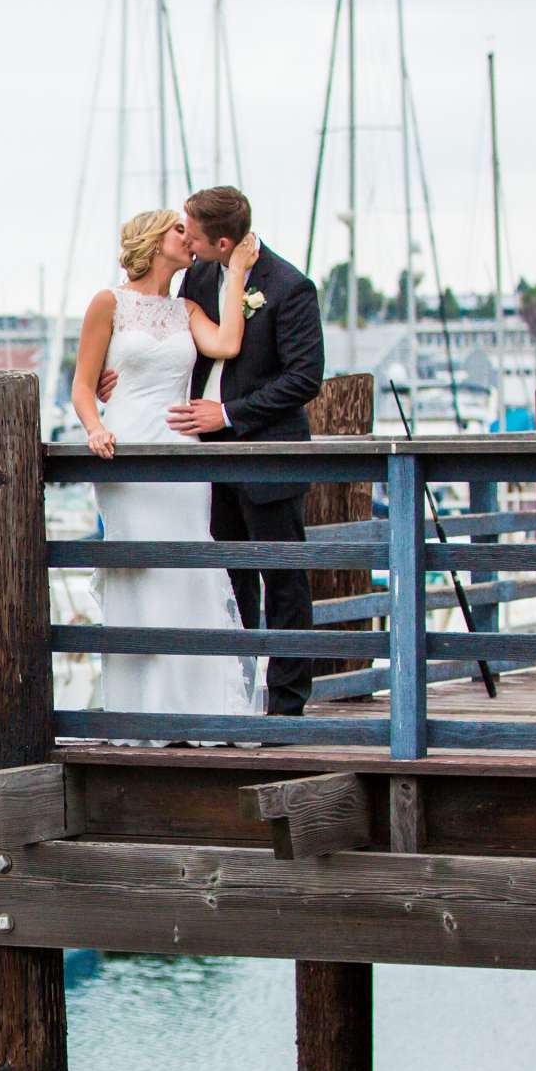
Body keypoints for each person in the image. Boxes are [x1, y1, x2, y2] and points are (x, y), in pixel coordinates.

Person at [70, 208, 261, 736]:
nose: (189, 237)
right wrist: (94, 428)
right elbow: (83, 386)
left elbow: (225, 344)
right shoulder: (108, 304)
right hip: (127, 451)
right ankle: (143, 710)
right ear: (155, 242)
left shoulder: (188, 308)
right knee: (142, 573)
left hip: (181, 450)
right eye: (180, 229)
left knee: (188, 570)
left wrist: (240, 271)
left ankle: (202, 708)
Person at [167, 185, 326, 716]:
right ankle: (234, 694)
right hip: (208, 458)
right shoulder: (200, 274)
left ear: (224, 240)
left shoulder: (289, 286)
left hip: (267, 456)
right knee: (228, 580)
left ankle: (286, 705)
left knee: (281, 578)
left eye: (192, 231)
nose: (184, 237)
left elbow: (305, 377)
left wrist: (230, 413)